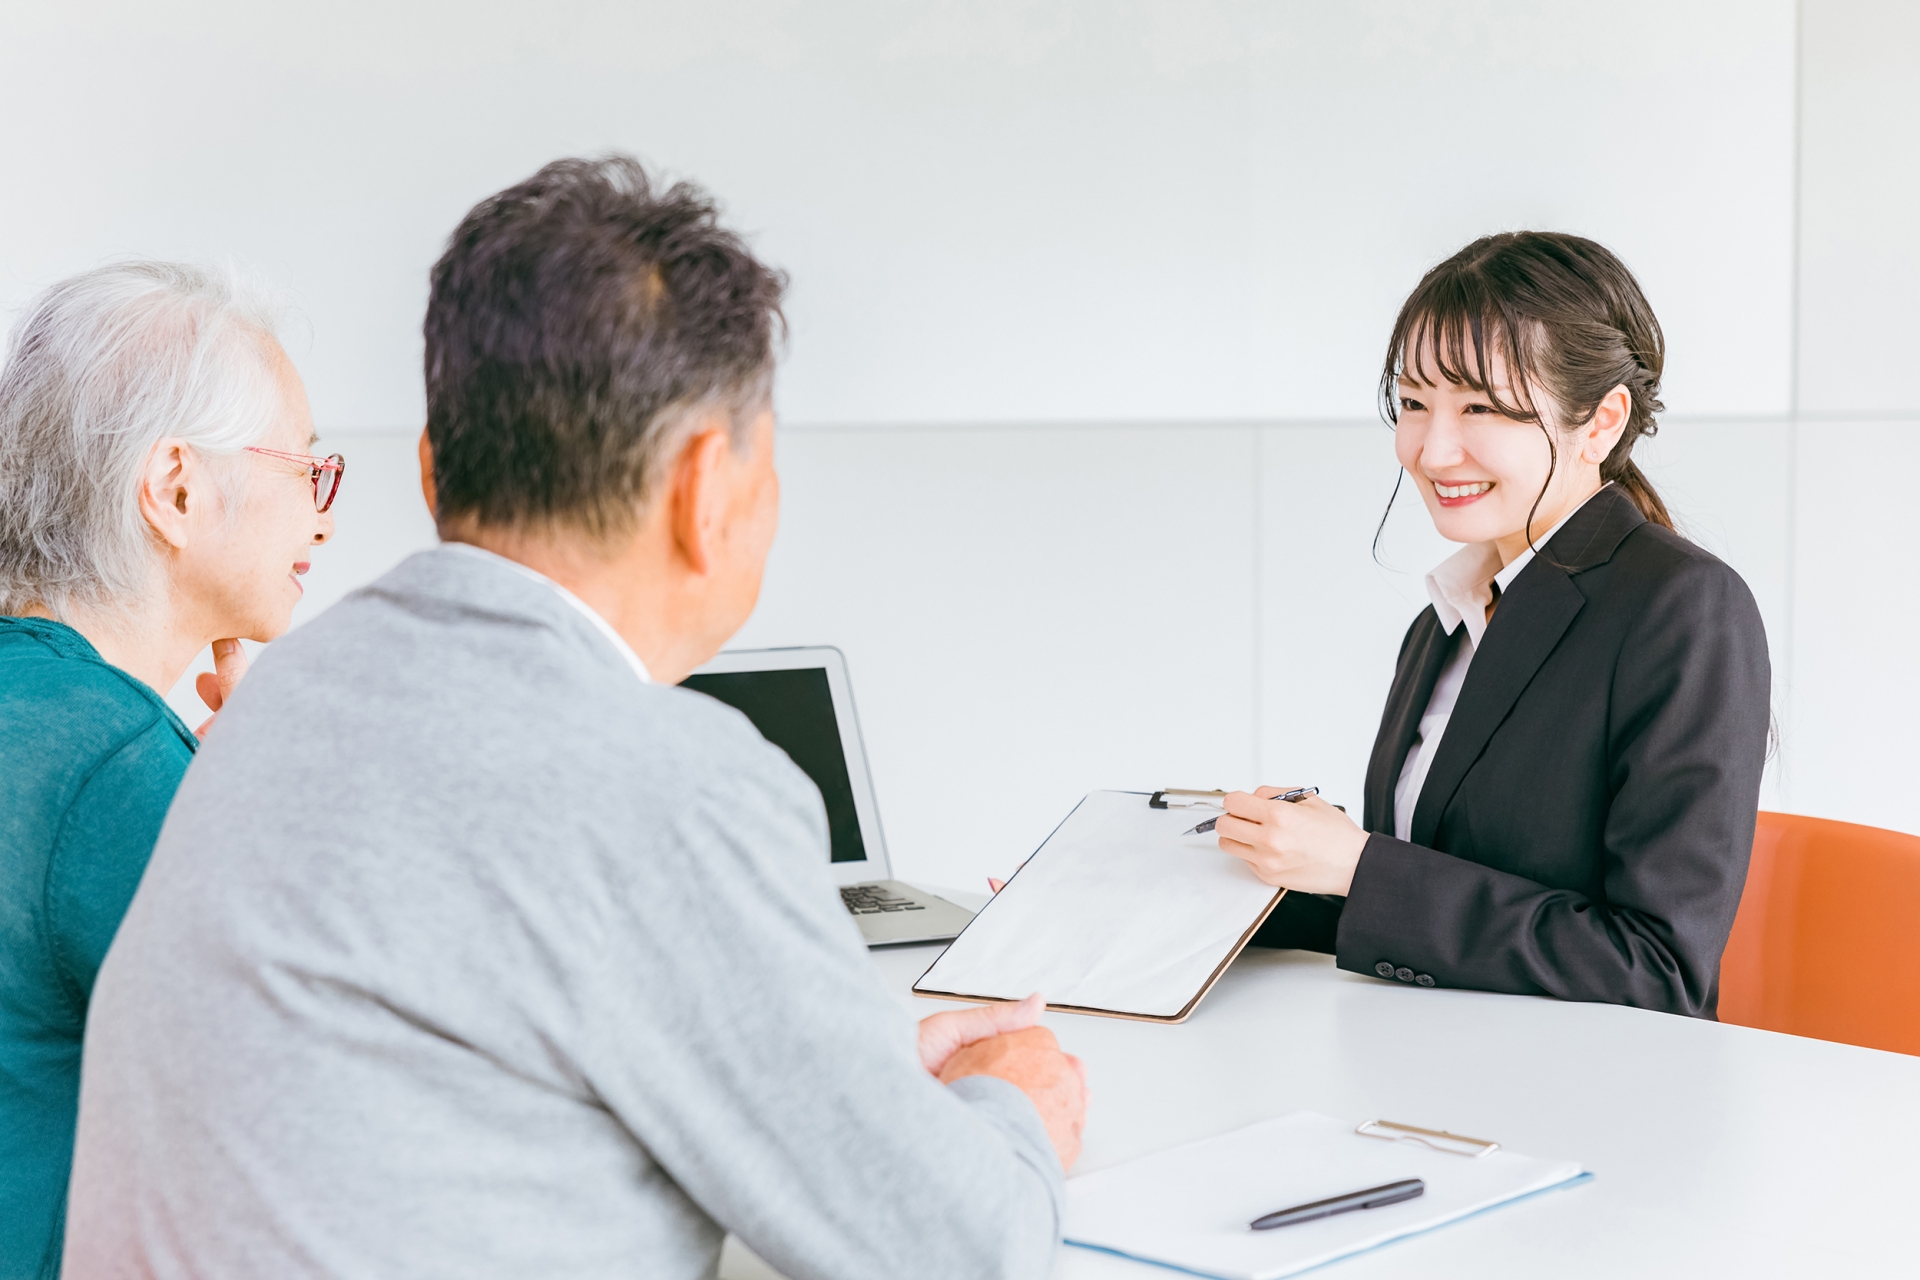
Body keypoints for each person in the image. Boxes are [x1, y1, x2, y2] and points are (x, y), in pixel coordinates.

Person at [64, 157, 1086, 1280]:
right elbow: (962, 1249)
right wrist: (1014, 1098)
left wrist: (856, 1070)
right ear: (709, 489)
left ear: (429, 467)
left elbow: (453, 1065)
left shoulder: (292, 693)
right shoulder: (665, 779)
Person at [1228, 232, 1770, 1018]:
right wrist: (1213, 880)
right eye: (1414, 404)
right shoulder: (1444, 619)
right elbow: (1427, 903)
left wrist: (1362, 867)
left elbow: (1658, 970)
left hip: (1586, 1106)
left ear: (1601, 422)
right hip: (1429, 1079)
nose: (1432, 449)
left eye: (1480, 406)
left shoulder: (1685, 608)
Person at [0, 261, 340, 1278]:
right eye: (306, 472)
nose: (321, 517)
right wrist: (252, 808)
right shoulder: (116, 762)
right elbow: (319, 1101)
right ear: (178, 489)